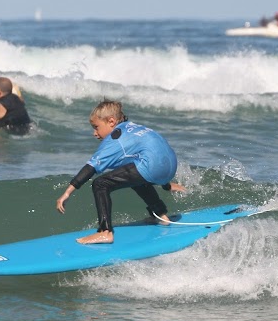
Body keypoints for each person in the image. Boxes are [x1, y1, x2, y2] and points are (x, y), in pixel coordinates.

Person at [56, 100, 185, 244]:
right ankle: (161, 215)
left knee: (100, 184)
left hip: (152, 167)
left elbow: (91, 167)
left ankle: (105, 232)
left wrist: (67, 192)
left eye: (96, 127)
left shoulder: (116, 138)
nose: (94, 133)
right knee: (135, 174)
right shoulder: (133, 127)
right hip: (170, 166)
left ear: (111, 121)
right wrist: (166, 184)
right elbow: (155, 153)